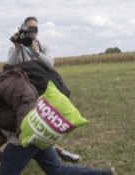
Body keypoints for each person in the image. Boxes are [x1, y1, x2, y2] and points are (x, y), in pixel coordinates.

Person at [5, 16, 81, 163]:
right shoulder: (15, 47)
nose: (33, 31)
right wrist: (17, 48)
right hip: (23, 88)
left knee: (46, 119)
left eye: (35, 28)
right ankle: (57, 151)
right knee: (33, 120)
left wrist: (37, 53)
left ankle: (54, 150)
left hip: (41, 87)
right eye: (29, 28)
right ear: (23, 29)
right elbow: (9, 65)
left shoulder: (42, 46)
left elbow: (50, 64)